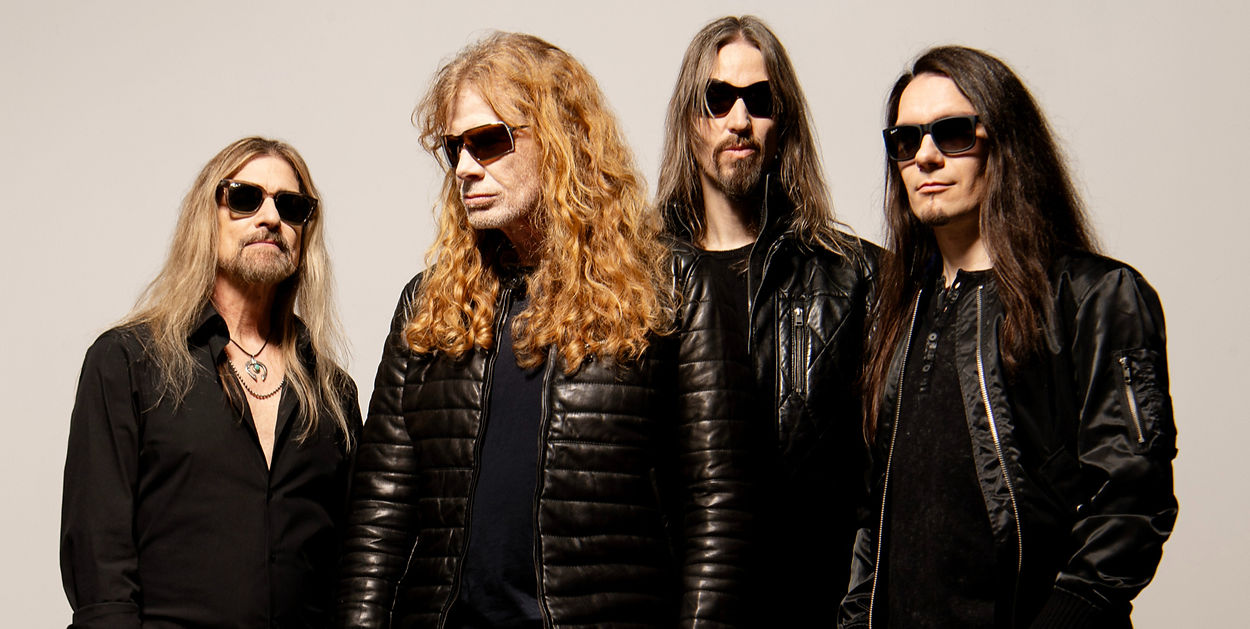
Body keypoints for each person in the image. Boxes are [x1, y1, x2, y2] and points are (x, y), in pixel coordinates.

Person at [334, 32, 752, 628]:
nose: (465, 168)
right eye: (454, 148)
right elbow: (380, 513)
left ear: (561, 136)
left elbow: (719, 510)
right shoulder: (426, 305)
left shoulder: (676, 286)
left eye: (488, 141)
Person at [840, 46, 1177, 628]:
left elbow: (1132, 499)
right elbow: (876, 516)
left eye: (952, 134)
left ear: (1004, 142)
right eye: (906, 140)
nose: (925, 156)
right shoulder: (896, 312)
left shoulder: (1094, 297)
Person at [60, 137, 362, 627]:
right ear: (207, 217)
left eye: (291, 206)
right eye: (245, 198)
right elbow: (100, 566)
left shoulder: (333, 392)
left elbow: (352, 566)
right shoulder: (127, 362)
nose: (270, 218)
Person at [655, 15, 878, 623]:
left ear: (784, 124)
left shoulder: (857, 277)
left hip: (808, 609)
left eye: (759, 100)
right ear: (688, 118)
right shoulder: (635, 284)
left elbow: (884, 485)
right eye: (718, 98)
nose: (739, 120)